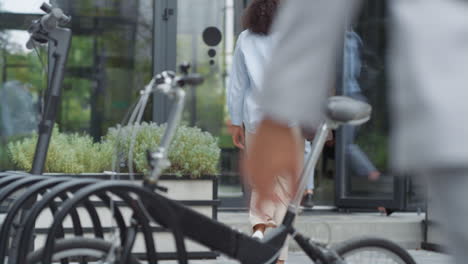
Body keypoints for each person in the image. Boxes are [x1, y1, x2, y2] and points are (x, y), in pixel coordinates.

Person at [244, 1, 468, 264]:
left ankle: (369, 183)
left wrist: (279, 113)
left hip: (450, 112)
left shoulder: (246, 41)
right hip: (449, 114)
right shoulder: (352, 40)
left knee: (290, 178)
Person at [226, 0, 305, 262]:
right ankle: (279, 256)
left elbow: (238, 85)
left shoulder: (245, 39)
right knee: (284, 189)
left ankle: (259, 229)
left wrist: (236, 122)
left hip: (257, 120)